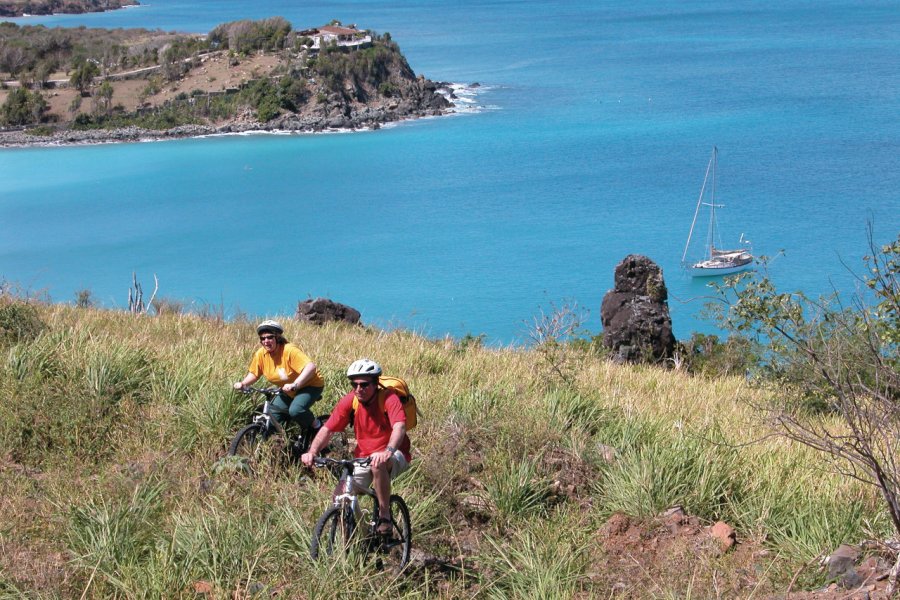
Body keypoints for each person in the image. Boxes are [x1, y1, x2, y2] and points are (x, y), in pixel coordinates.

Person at [302, 358, 411, 535]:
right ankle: (362, 534)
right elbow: (328, 429)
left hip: (395, 453)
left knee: (378, 465)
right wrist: (312, 451)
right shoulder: (350, 401)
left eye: (364, 384)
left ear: (375, 384)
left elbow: (399, 426)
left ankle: (385, 516)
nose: (358, 389)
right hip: (362, 456)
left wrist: (388, 451)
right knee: (341, 497)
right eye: (354, 384)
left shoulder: (389, 399)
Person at [233, 320, 325, 431]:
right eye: (263, 338)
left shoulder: (289, 350)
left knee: (296, 410)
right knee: (272, 419)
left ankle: (318, 426)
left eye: (269, 337)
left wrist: (295, 384)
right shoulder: (261, 354)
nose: (266, 341)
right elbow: (254, 373)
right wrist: (243, 383)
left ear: (277, 337)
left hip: (310, 385)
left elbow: (310, 367)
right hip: (287, 390)